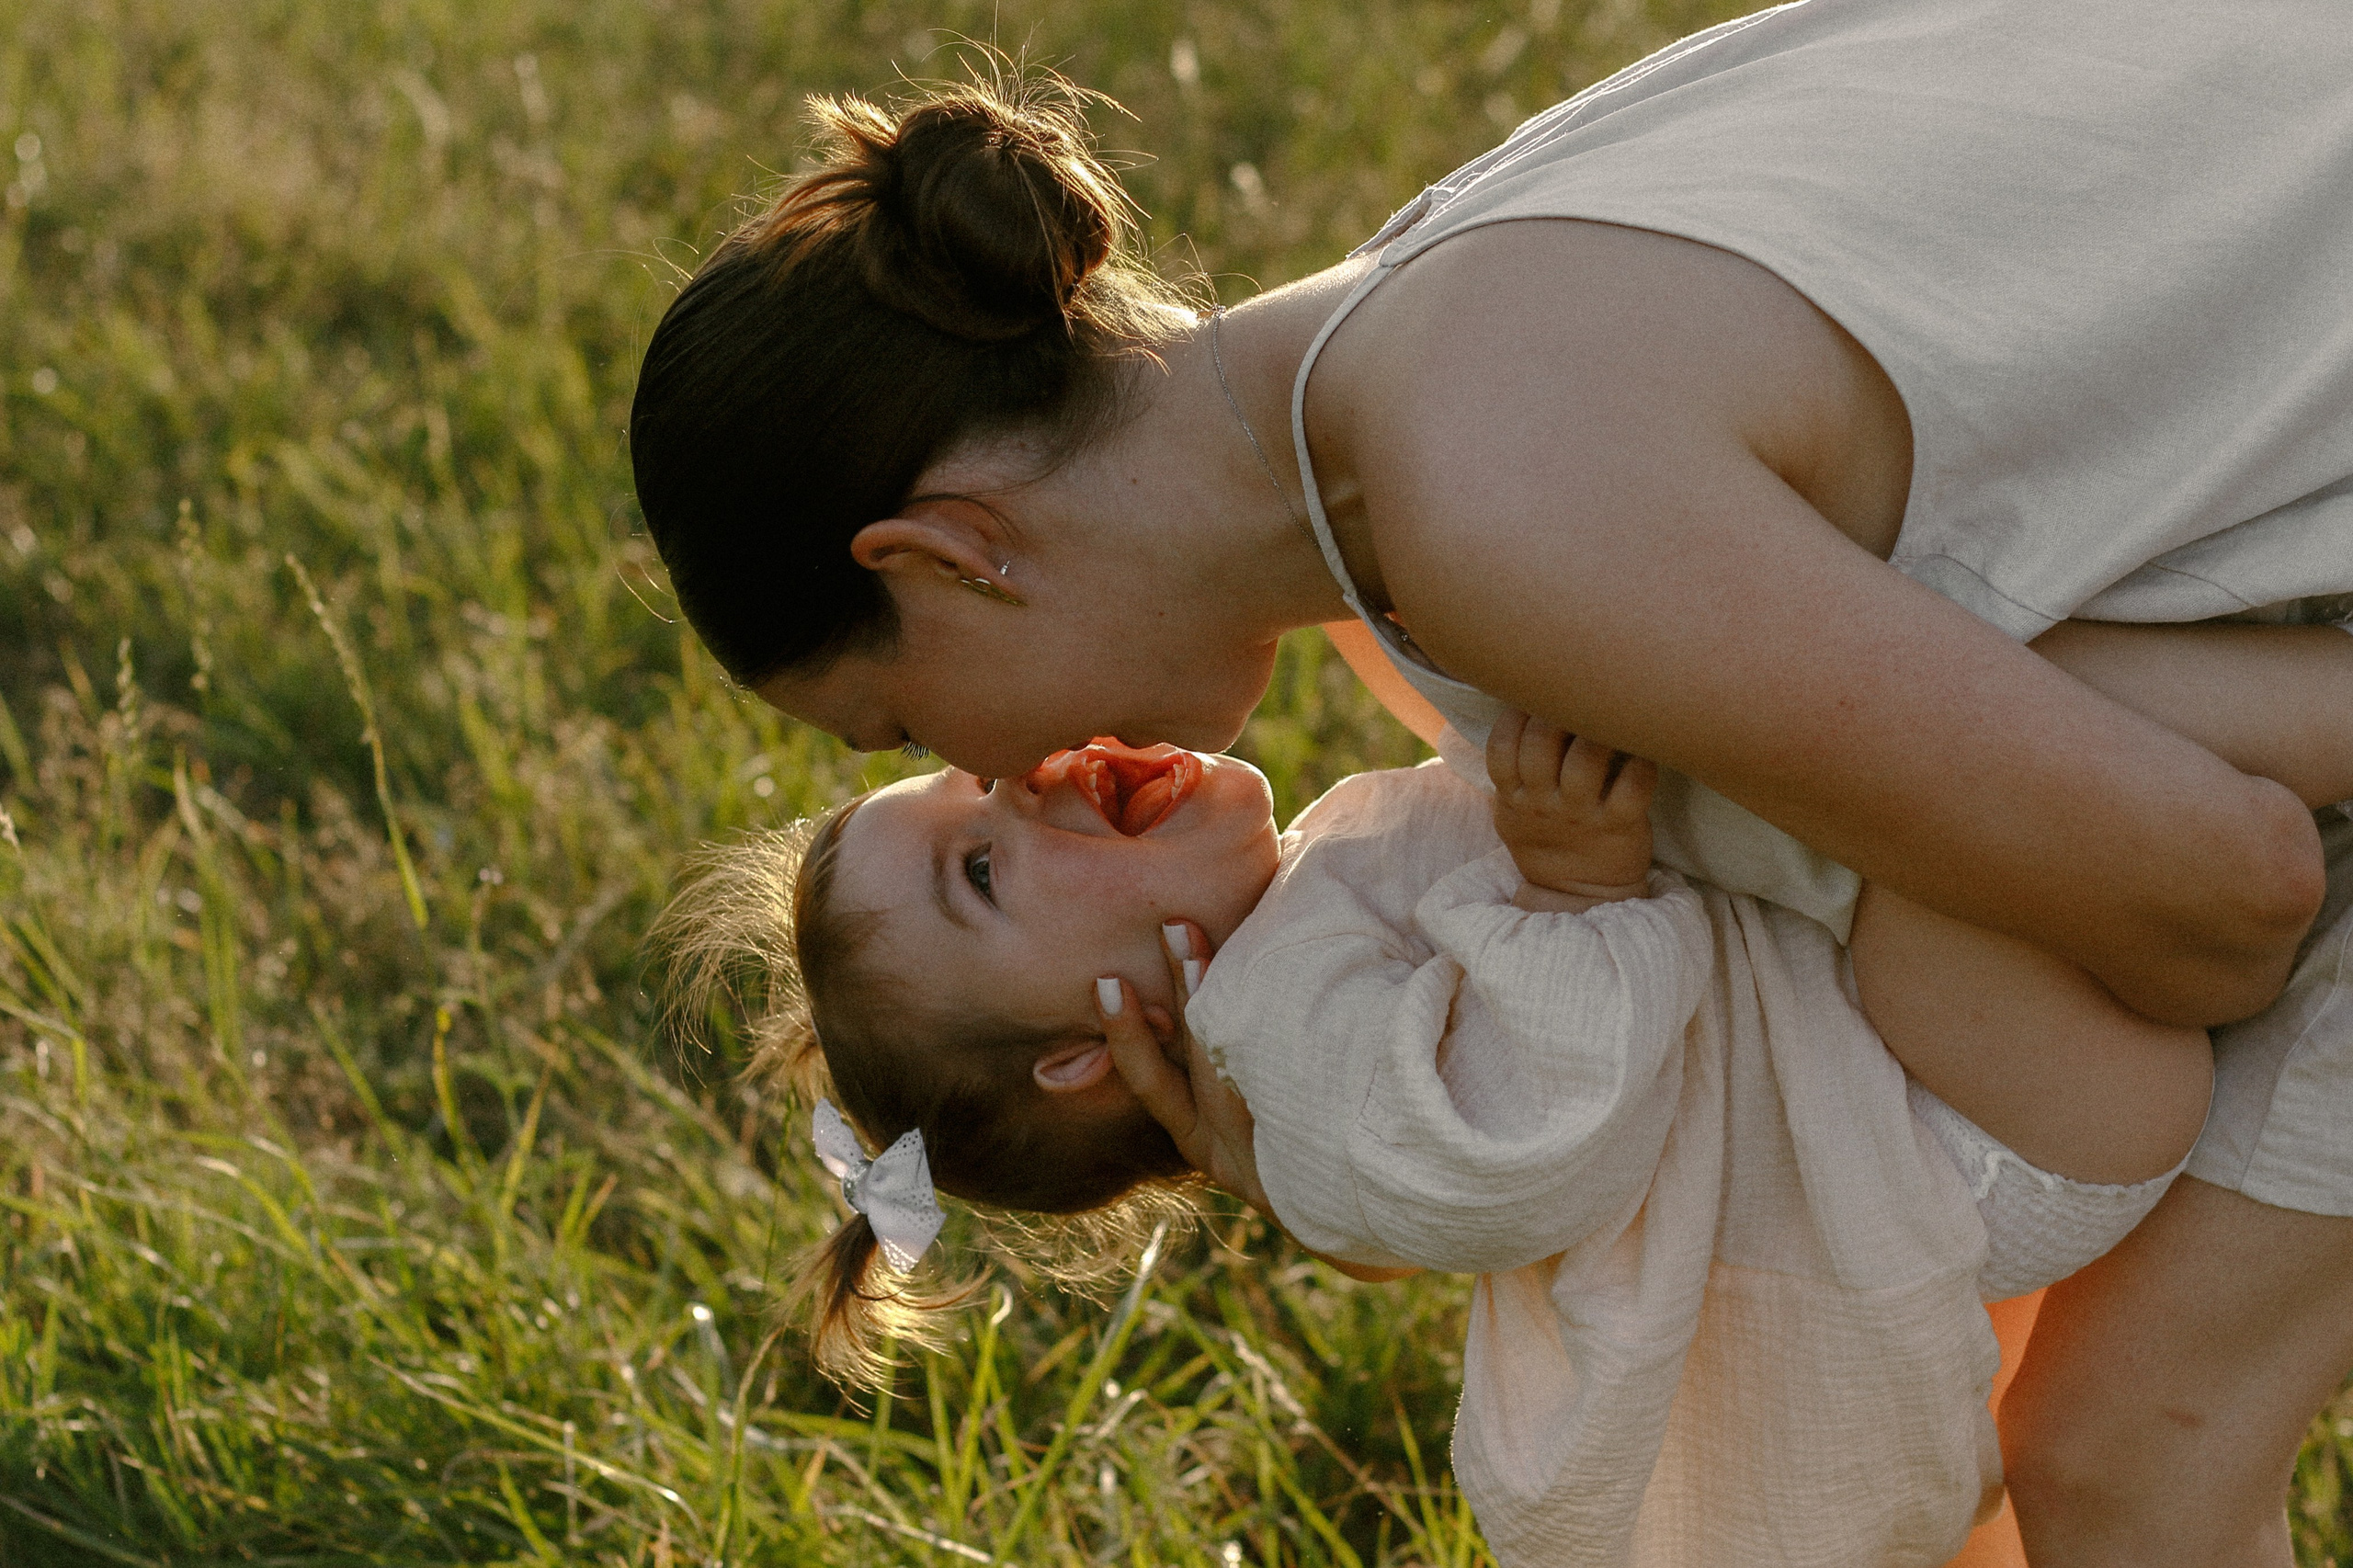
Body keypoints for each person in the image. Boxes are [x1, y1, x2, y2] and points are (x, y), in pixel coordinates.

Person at [628, 6, 2353, 1559]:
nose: (999, 777)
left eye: (914, 739)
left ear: (946, 554)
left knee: (2130, 1475)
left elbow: (2233, 905)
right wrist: (1377, 1139)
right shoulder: (1423, 323)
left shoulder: (1490, 509)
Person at [657, 618, 2352, 1562]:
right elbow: (1528, 1149)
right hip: (1990, 1141)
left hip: (1979, 1076)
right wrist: (1574, 886)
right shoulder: (1301, 1077)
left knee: (1900, 755)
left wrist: (1350, 589)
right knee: (1899, 776)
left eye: (969, 783)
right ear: (1087, 1050)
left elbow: (1498, 744)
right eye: (979, 866)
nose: (1021, 782)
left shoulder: (1308, 921)